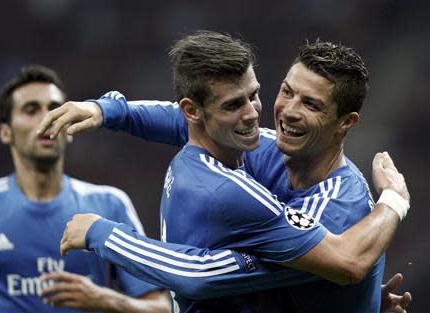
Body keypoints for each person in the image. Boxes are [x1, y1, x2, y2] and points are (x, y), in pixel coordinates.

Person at [38, 32, 411, 312]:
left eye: (311, 104)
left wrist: (394, 199)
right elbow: (187, 120)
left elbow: (202, 275)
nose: (287, 111)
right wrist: (109, 111)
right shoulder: (263, 147)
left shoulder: (337, 210)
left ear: (346, 122)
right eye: (286, 91)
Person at [0, 65, 171, 313]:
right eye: (31, 110)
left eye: (54, 109)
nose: (46, 118)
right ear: (6, 132)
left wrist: (105, 300)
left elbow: (161, 307)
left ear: (70, 128)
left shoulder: (109, 205)